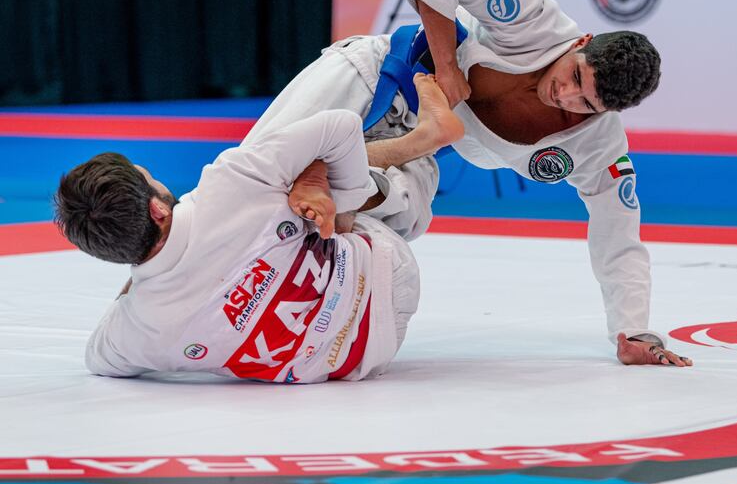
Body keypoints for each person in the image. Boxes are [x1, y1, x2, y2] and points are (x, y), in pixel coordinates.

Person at [246, 0, 691, 367]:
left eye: (587, 104)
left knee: (408, 213)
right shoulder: (535, 19)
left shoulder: (598, 146)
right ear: (581, 43)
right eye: (576, 77)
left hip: (420, 142)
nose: (566, 97)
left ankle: (319, 241)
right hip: (379, 76)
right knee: (257, 172)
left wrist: (634, 329)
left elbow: (619, 236)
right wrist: (446, 67)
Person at [54, 74, 464, 383]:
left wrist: (138, 275)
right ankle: (416, 146)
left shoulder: (136, 330)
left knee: (296, 183)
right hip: (381, 268)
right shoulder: (228, 182)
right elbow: (339, 126)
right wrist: (342, 212)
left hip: (361, 356)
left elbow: (98, 357)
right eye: (149, 178)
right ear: (158, 209)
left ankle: (400, 159)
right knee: (292, 165)